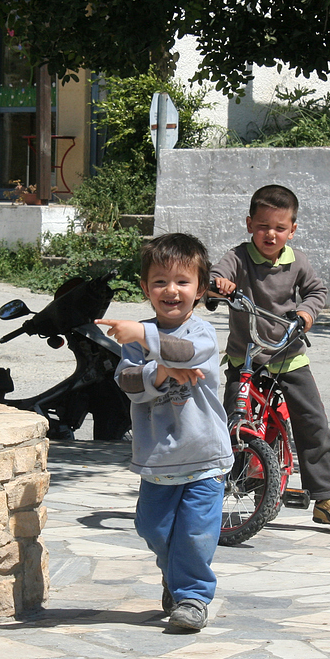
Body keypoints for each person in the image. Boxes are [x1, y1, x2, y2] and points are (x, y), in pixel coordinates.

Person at [95, 233, 234, 631]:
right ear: (146, 288)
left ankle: (192, 595)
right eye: (160, 282)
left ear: (200, 288)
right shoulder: (135, 340)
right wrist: (159, 371)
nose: (171, 290)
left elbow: (186, 354)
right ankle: (176, 574)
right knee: (152, 527)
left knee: (194, 532)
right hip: (158, 458)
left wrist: (145, 338)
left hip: (205, 454)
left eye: (182, 282)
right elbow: (128, 382)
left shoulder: (201, 333)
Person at [211, 184, 330, 527]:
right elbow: (216, 277)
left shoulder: (297, 261)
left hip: (288, 355)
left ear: (292, 230)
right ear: (249, 225)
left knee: (312, 421)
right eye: (263, 226)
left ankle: (325, 497)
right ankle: (236, 484)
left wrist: (305, 314)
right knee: (235, 420)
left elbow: (316, 291)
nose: (270, 234)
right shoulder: (238, 257)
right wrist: (221, 286)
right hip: (245, 357)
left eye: (279, 228)